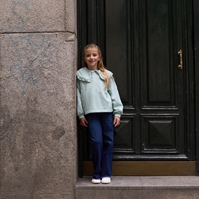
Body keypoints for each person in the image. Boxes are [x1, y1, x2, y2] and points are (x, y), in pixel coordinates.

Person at [76, 43, 123, 184]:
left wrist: (117, 113)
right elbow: (78, 96)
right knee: (96, 142)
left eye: (94, 55)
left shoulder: (107, 75)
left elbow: (114, 94)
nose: (91, 57)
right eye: (88, 55)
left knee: (108, 142)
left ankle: (106, 173)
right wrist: (81, 114)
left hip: (107, 112)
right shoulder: (80, 74)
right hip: (91, 113)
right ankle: (96, 172)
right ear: (84, 58)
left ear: (99, 57)